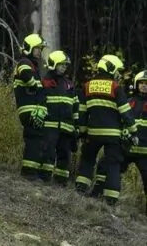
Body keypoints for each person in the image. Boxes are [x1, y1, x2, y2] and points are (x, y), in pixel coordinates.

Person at [75, 54, 138, 205]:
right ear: (111, 68)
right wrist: (133, 131)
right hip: (113, 134)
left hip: (93, 133)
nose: (118, 74)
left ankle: (80, 189)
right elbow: (125, 112)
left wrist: (83, 132)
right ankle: (110, 198)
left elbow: (82, 112)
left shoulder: (87, 86)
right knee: (113, 164)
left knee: (88, 159)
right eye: (117, 70)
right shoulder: (116, 87)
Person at [91, 70, 147, 213]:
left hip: (145, 152)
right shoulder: (128, 101)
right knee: (105, 165)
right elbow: (119, 119)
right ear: (136, 84)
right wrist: (124, 132)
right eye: (141, 83)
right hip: (126, 147)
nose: (144, 86)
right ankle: (96, 197)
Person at [38, 50, 79, 185]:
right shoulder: (45, 82)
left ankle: (61, 182)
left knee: (64, 156)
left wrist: (76, 126)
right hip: (50, 125)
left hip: (67, 127)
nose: (64, 67)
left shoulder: (69, 84)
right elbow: (40, 102)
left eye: (66, 65)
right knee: (47, 153)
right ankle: (44, 179)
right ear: (54, 64)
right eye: (62, 64)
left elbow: (75, 107)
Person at [13, 33, 48, 180]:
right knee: (34, 138)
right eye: (37, 48)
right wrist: (34, 85)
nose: (40, 52)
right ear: (29, 48)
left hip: (33, 108)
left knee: (36, 139)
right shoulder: (24, 62)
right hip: (29, 108)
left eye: (41, 49)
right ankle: (28, 172)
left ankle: (31, 171)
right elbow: (26, 75)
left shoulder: (32, 64)